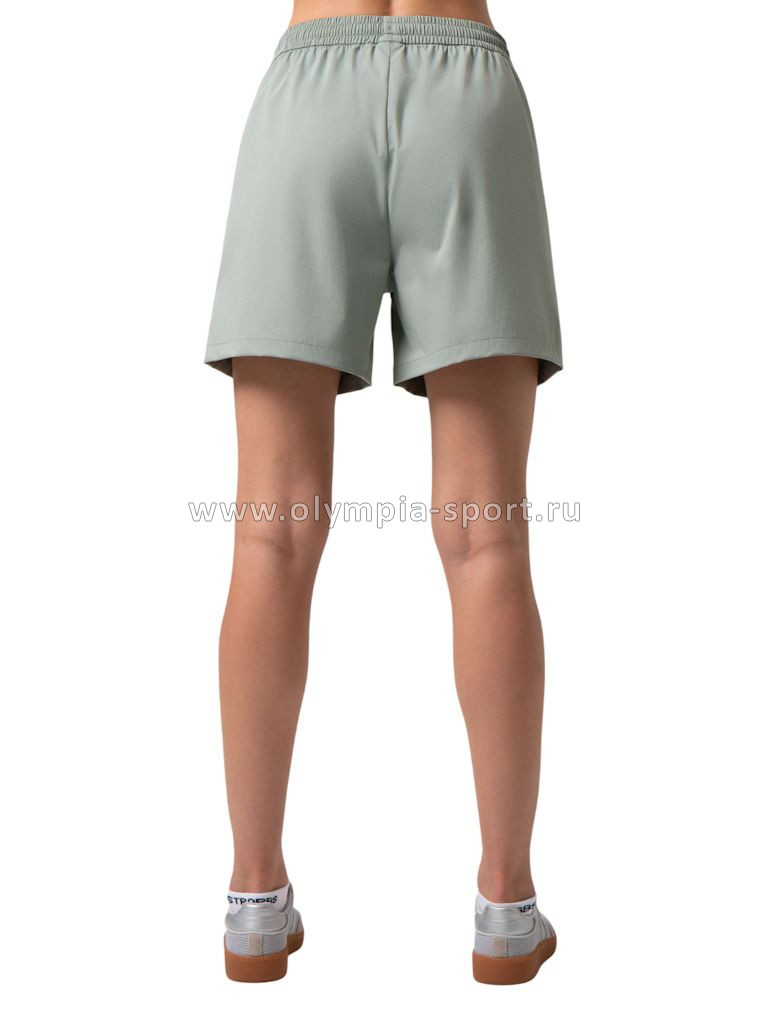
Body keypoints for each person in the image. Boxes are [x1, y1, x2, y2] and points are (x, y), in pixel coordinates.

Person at [204, 0, 562, 985]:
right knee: (486, 534)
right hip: (466, 97)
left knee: (269, 533)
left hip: (308, 96)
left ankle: (253, 902)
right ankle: (506, 908)